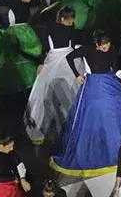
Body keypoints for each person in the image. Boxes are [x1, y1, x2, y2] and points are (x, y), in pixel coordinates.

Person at [51, 32, 121, 177]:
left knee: (119, 109)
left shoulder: (111, 50)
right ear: (97, 44)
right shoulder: (88, 49)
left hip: (110, 81)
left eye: (108, 45)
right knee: (94, 113)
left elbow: (115, 69)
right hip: (94, 84)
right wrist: (77, 74)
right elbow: (70, 57)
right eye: (104, 46)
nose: (107, 48)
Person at [23, 8, 83, 145]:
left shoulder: (67, 28)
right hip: (56, 60)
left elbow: (70, 44)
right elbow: (45, 46)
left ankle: (69, 129)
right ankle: (47, 129)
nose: (72, 22)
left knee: (68, 92)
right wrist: (41, 63)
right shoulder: (52, 27)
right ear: (62, 19)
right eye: (69, 20)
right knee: (47, 93)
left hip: (66, 59)